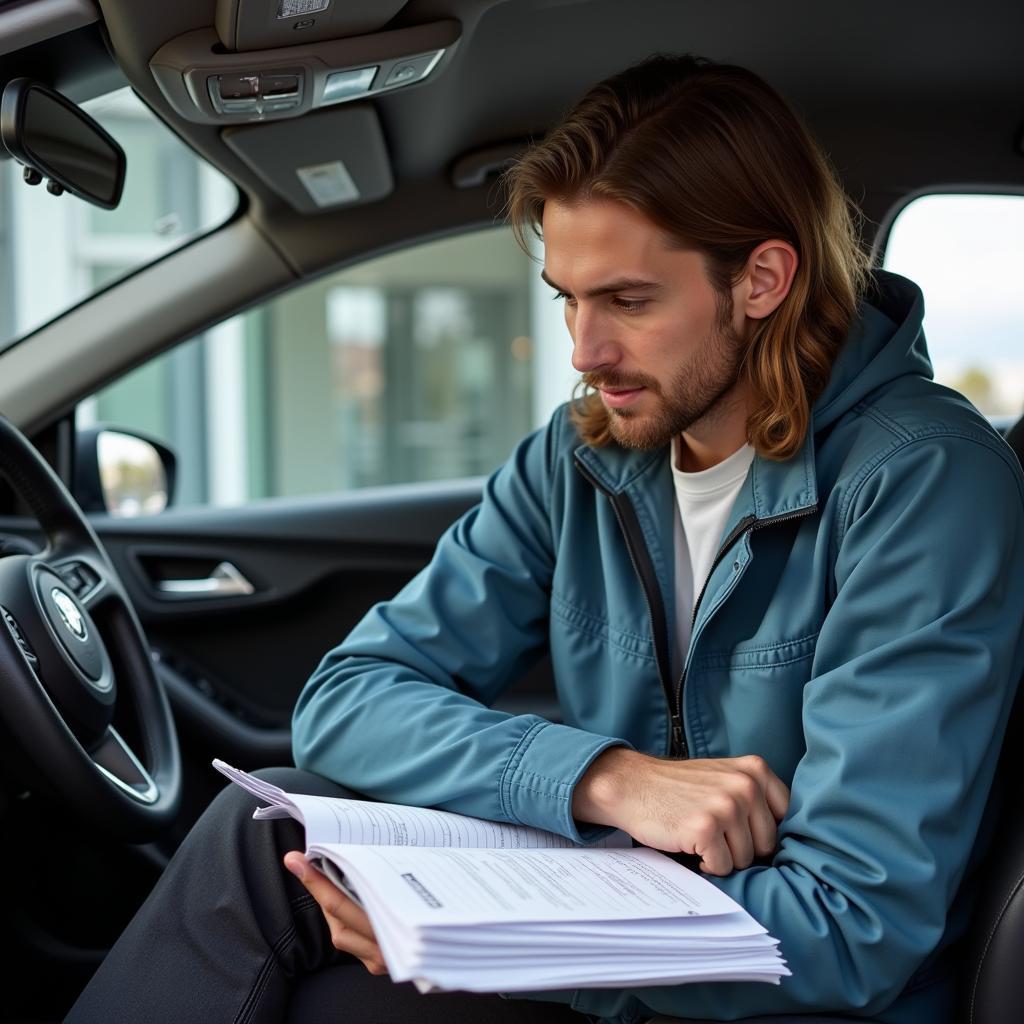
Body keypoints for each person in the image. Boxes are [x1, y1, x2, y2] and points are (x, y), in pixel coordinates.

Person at [67, 54, 1024, 1024]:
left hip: (791, 999)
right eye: (566, 295)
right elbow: (346, 698)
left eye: (628, 300)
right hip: (629, 938)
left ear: (761, 280)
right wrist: (604, 778)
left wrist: (486, 946)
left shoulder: (921, 483)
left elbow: (850, 924)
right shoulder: (581, 458)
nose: (583, 350)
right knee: (267, 824)